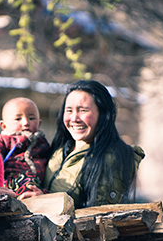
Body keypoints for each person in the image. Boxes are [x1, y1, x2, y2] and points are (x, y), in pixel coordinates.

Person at [31, 79, 144, 208]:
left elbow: (98, 218)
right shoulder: (59, 150)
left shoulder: (111, 159)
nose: (74, 119)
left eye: (83, 110)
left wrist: (44, 201)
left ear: (103, 114)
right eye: (69, 110)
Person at [0, 97, 51, 197]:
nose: (26, 122)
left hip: (36, 188)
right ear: (3, 125)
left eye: (32, 118)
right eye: (18, 119)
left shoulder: (43, 144)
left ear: (39, 123)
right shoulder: (1, 140)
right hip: (8, 185)